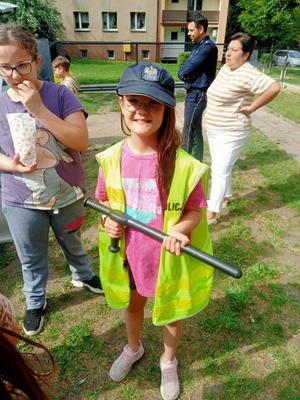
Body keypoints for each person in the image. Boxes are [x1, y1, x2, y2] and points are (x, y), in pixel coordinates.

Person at [95, 62, 214, 400]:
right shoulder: (110, 159)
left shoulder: (183, 163)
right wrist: (107, 221)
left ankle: (168, 359)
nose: (142, 110)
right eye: (134, 100)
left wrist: (181, 229)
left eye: (153, 103)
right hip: (129, 258)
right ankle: (133, 348)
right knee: (133, 306)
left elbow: (194, 209)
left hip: (166, 260)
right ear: (121, 103)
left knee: (171, 315)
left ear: (167, 109)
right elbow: (102, 201)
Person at [0, 23, 103, 337]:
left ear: (37, 60)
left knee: (72, 239)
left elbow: (81, 140)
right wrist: (11, 165)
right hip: (20, 198)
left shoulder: (60, 94)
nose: (16, 75)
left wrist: (38, 109)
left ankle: (83, 274)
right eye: (5, 68)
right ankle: (35, 301)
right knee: (30, 254)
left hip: (66, 193)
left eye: (22, 65)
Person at [205, 32, 281, 224]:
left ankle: (212, 213)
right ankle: (226, 195)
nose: (227, 54)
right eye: (227, 49)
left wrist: (253, 107)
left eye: (234, 50)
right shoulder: (226, 69)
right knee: (223, 165)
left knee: (219, 170)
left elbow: (274, 87)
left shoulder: (248, 73)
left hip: (232, 130)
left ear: (246, 55)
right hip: (215, 127)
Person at [178, 12, 218, 161]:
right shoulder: (198, 46)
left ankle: (185, 161)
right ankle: (196, 161)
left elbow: (187, 69)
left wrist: (185, 73)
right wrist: (184, 72)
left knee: (189, 129)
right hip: (193, 93)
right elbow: (184, 69)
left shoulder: (208, 48)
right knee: (195, 129)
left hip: (198, 94)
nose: (188, 33)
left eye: (191, 30)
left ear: (200, 29)